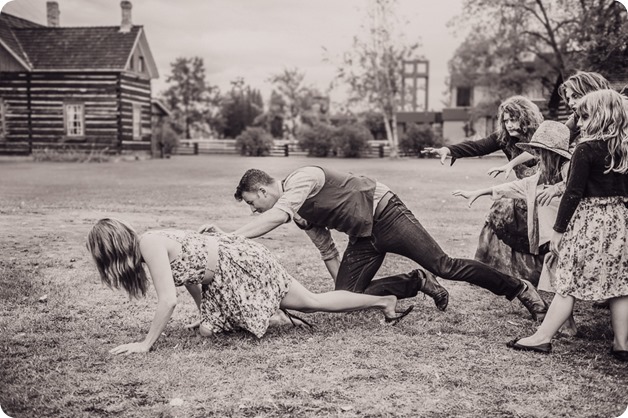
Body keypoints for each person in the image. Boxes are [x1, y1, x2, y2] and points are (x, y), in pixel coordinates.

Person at [200, 166, 547, 321]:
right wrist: (344, 290)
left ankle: (518, 289)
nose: (253, 208)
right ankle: (415, 282)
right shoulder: (301, 215)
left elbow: (277, 216)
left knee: (445, 265)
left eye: (250, 202)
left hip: (387, 215)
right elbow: (327, 251)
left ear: (263, 190)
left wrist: (230, 237)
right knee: (342, 294)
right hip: (363, 238)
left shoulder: (302, 179)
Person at [86, 218, 414, 355]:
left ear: (113, 250)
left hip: (239, 266)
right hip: (225, 275)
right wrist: (207, 315)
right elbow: (189, 276)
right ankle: (278, 312)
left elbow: (167, 300)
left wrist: (145, 344)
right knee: (207, 331)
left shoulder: (149, 245)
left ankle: (384, 300)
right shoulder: (150, 241)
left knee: (313, 301)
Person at [506, 90, 628, 361]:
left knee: (568, 280)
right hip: (620, 222)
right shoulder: (623, 148)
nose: (580, 124)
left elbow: (573, 193)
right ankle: (622, 344)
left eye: (584, 117)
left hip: (589, 222)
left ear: (599, 116)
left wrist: (559, 231)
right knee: (620, 284)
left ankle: (542, 338)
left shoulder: (586, 149)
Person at [451, 120, 577, 335]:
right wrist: (479, 192)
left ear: (551, 153)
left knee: (564, 276)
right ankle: (568, 324)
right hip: (555, 236)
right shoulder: (541, 174)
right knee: (557, 274)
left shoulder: (568, 170)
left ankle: (572, 325)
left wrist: (556, 189)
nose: (536, 157)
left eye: (540, 152)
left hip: (571, 234)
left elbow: (576, 186)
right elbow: (517, 186)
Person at [424, 96, 546, 288]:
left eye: (513, 119)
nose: (509, 125)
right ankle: (496, 271)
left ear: (526, 118)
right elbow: (477, 146)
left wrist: (510, 164)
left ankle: (541, 274)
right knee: (499, 211)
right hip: (521, 193)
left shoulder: (543, 134)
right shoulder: (505, 139)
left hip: (545, 196)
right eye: (505, 121)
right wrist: (449, 149)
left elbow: (537, 150)